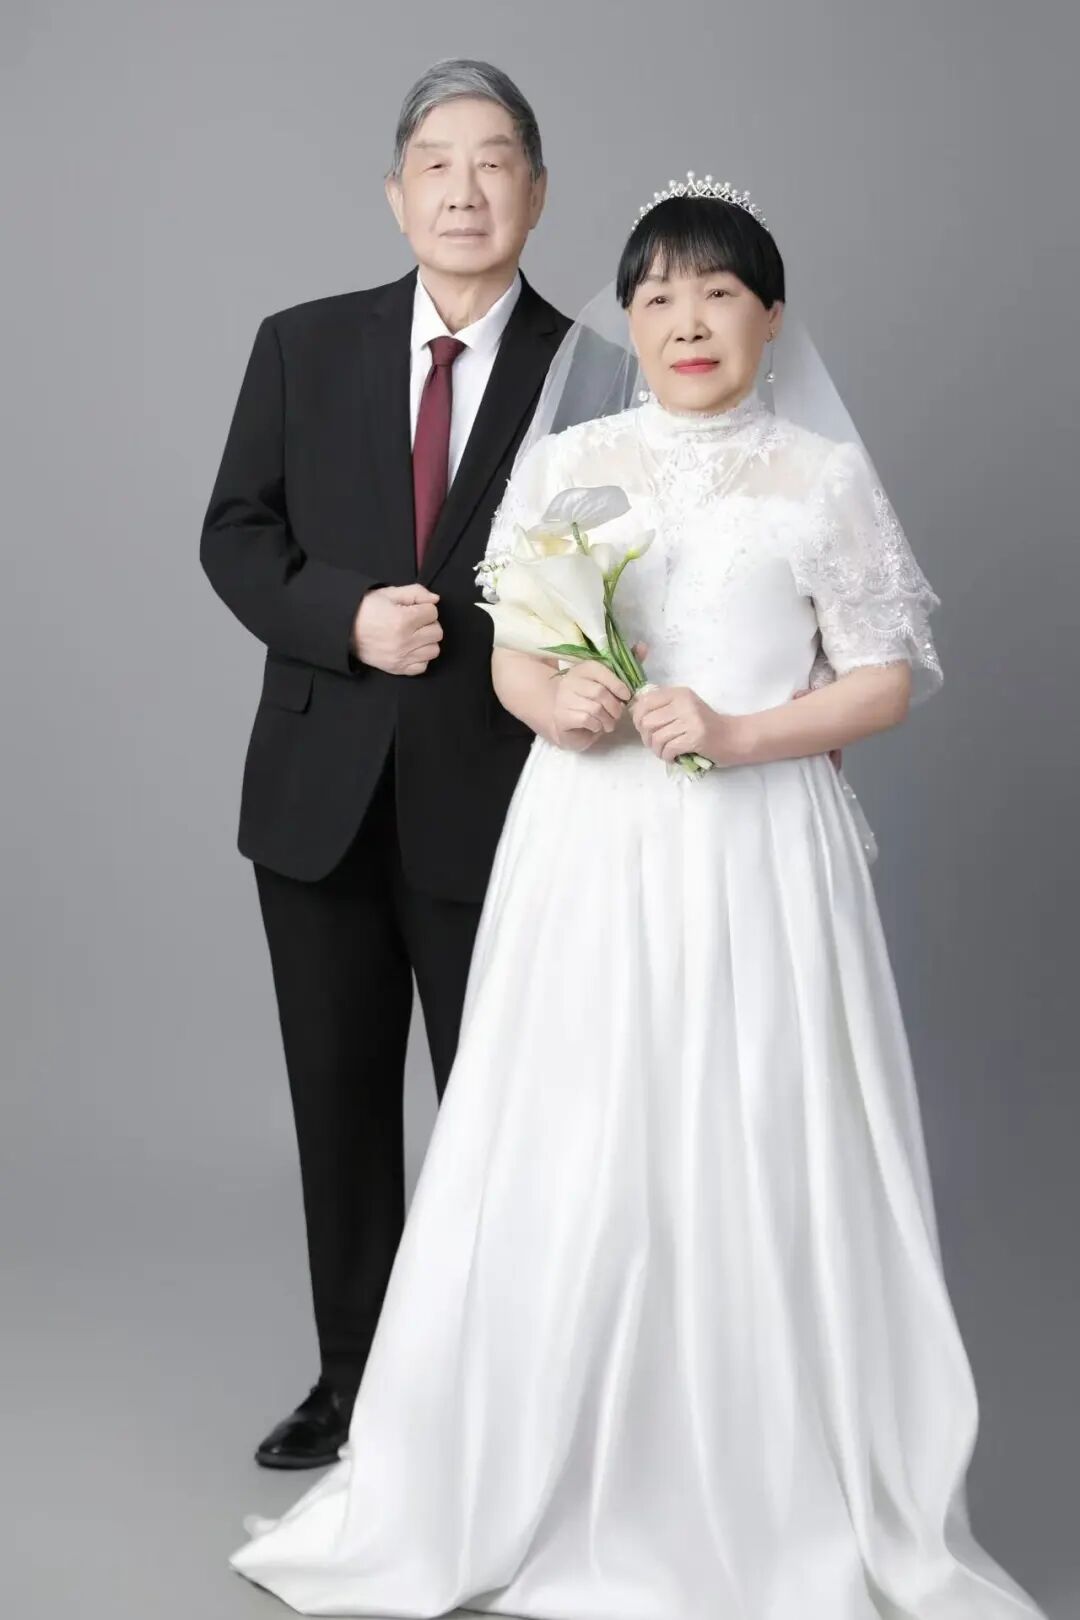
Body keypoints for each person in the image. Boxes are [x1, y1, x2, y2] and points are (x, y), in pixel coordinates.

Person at [228, 179, 1047, 1618]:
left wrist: (737, 732)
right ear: (629, 317)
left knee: (755, 1128)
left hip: (760, 846)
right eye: (657, 296)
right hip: (590, 843)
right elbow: (511, 652)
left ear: (771, 317)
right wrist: (557, 701)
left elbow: (883, 680)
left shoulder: (820, 479)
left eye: (718, 293)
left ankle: (759, 1475)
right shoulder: (574, 460)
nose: (686, 321)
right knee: (575, 1130)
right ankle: (536, 1458)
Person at [200, 60, 570, 1469]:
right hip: (319, 800)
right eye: (437, 162)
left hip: (513, 798)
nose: (465, 190)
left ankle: (501, 1395)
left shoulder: (594, 370)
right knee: (339, 1104)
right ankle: (353, 1384)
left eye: (494, 161)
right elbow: (237, 531)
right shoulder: (303, 345)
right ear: (397, 193)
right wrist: (344, 618)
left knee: (510, 1117)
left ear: (536, 190)